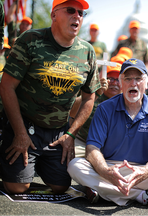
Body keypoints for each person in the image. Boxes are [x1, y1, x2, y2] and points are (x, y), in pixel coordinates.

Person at [0, 0, 107, 194]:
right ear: (54, 15)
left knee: (61, 186)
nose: (77, 16)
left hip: (57, 132)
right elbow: (7, 86)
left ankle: (37, 163)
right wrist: (20, 133)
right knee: (17, 187)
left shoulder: (87, 51)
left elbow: (89, 98)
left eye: (81, 13)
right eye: (70, 10)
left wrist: (71, 134)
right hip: (24, 126)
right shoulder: (30, 40)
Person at [67, 58, 148, 209]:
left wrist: (146, 170)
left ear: (146, 83)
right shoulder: (105, 108)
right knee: (75, 166)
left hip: (143, 168)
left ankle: (106, 193)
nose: (133, 83)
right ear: (121, 83)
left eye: (138, 79)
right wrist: (105, 171)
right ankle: (143, 195)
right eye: (127, 79)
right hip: (110, 167)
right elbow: (92, 147)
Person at [71, 64, 122, 158]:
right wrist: (96, 94)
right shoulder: (94, 94)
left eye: (118, 79)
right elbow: (72, 111)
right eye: (110, 78)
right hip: (82, 143)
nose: (114, 83)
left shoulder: (126, 101)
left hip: (111, 150)